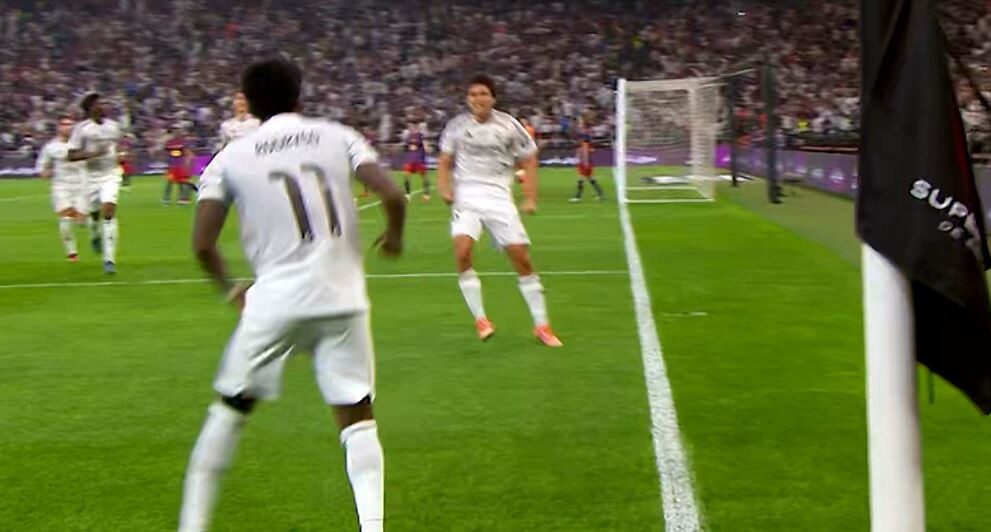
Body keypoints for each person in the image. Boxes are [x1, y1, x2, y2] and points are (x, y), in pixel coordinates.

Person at [178, 58, 405, 532]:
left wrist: (232, 291)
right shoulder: (338, 136)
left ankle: (193, 525)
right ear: (299, 94)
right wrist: (394, 237)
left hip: (275, 302)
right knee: (358, 419)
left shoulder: (231, 157)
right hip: (342, 298)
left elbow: (201, 245)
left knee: (230, 411)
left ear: (248, 103)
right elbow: (392, 195)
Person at [437, 74, 563, 347]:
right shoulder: (456, 126)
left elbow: (529, 160)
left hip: (498, 198)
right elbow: (444, 161)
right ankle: (481, 320)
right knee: (462, 252)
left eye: (483, 93)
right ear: (467, 99)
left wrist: (530, 197)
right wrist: (444, 188)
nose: (478, 99)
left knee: (521, 259)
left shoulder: (509, 125)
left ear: (493, 98)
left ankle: (542, 326)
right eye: (473, 94)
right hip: (467, 196)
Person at [67, 93, 123, 275]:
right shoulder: (81, 129)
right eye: (100, 104)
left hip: (111, 174)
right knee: (94, 213)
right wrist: (93, 154)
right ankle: (94, 232)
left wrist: (123, 154)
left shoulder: (114, 126)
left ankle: (109, 260)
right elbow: (71, 155)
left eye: (104, 103)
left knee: (109, 211)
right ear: (90, 108)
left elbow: (119, 145)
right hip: (90, 177)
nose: (104, 106)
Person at [36, 115, 86, 261]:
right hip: (61, 186)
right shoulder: (51, 147)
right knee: (66, 218)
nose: (68, 127)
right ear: (59, 127)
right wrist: (45, 172)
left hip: (82, 185)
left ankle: (88, 224)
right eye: (65, 124)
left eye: (71, 124)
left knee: (82, 220)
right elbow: (42, 166)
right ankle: (72, 253)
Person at [163, 127, 196, 205]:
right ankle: (166, 199)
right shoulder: (169, 142)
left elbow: (188, 153)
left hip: (181, 165)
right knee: (170, 182)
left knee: (182, 182)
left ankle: (183, 199)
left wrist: (187, 163)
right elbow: (166, 153)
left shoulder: (183, 142)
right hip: (172, 166)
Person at [569, 135, 604, 202]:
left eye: (580, 139)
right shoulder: (587, 145)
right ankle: (600, 194)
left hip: (584, 164)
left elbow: (585, 154)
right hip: (587, 164)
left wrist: (585, 164)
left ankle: (578, 197)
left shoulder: (584, 145)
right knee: (591, 179)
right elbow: (591, 151)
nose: (579, 140)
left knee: (581, 180)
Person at [401, 121, 430, 201]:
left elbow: (426, 148)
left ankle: (426, 194)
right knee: (406, 176)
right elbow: (406, 147)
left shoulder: (421, 136)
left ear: (416, 127)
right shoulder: (408, 137)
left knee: (423, 177)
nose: (410, 128)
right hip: (410, 160)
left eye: (411, 126)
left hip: (419, 160)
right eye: (409, 126)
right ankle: (407, 194)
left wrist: (425, 148)